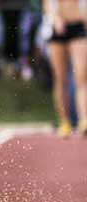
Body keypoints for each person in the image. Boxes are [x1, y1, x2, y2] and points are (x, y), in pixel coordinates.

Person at [43, 0, 87, 137]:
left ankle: (84, 120)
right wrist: (56, 17)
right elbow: (48, 4)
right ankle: (64, 121)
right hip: (57, 28)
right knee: (60, 79)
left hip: (79, 26)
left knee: (82, 76)